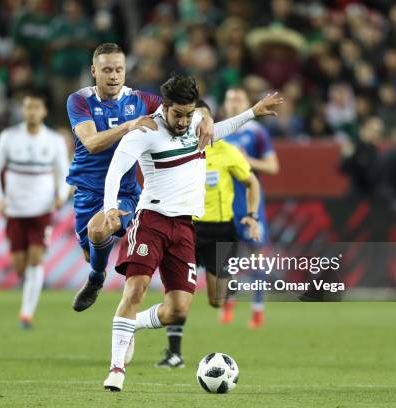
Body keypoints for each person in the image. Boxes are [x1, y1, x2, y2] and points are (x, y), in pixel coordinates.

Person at [101, 75, 283, 391]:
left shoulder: (198, 121)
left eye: (189, 113)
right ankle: (116, 369)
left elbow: (222, 130)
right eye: (178, 115)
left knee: (177, 310)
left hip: (185, 226)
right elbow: (115, 170)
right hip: (151, 222)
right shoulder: (145, 132)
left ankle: (131, 327)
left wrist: (253, 111)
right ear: (164, 107)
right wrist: (109, 208)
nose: (184, 121)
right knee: (136, 289)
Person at [66, 43, 214, 312]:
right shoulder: (79, 100)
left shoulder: (141, 100)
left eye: (119, 70)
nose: (113, 76)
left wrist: (206, 117)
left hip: (128, 192)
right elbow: (91, 143)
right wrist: (128, 126)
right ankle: (96, 278)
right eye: (107, 70)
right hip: (88, 192)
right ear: (93, 71)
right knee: (92, 249)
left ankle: (126, 296)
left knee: (102, 229)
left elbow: (179, 106)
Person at [155, 100, 262, 368]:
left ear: (212, 124)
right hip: (187, 227)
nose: (197, 125)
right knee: (177, 293)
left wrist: (252, 215)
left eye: (203, 120)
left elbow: (252, 182)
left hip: (220, 232)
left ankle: (231, 284)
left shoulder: (228, 152)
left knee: (216, 302)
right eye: (193, 119)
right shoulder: (178, 151)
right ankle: (174, 353)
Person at [0, 92, 70, 329]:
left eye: (36, 108)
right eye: (28, 108)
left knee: (36, 258)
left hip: (42, 209)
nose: (32, 112)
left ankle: (26, 314)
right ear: (23, 111)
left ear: (43, 111)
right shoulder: (9, 137)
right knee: (19, 265)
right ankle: (31, 288)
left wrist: (61, 195)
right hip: (15, 208)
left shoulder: (53, 140)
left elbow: (65, 171)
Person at [221, 87, 280, 328]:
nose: (234, 104)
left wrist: (247, 160)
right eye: (230, 99)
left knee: (256, 256)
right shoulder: (219, 132)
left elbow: (273, 167)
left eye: (239, 99)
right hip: (223, 203)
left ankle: (257, 308)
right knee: (227, 258)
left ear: (247, 103)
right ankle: (228, 304)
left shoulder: (256, 133)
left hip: (249, 202)